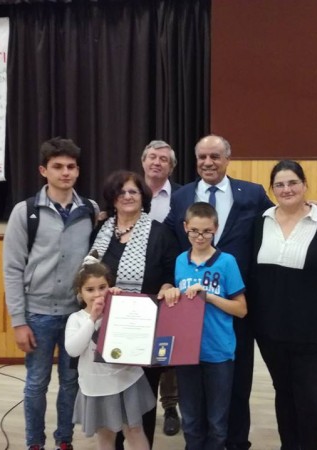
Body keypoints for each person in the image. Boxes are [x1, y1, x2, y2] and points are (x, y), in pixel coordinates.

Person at [164, 134, 273, 450]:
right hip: (190, 314)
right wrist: (166, 284)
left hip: (236, 301)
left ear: (227, 159)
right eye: (202, 157)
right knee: (194, 391)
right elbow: (168, 240)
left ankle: (235, 442)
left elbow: (277, 221)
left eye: (215, 156)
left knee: (236, 383)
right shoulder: (182, 196)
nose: (208, 162)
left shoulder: (251, 193)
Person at [3, 137, 98, 450]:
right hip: (37, 315)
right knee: (36, 383)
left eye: (71, 166)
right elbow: (12, 268)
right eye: (58, 166)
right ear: (44, 170)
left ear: (78, 170)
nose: (65, 172)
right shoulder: (25, 212)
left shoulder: (90, 210)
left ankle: (64, 441)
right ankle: (34, 443)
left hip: (75, 315)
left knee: (71, 382)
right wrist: (19, 321)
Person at [249, 160, 317, 450]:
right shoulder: (261, 221)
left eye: (293, 183)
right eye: (279, 184)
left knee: (314, 401)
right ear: (272, 189)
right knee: (285, 394)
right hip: (272, 334)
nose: (286, 189)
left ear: (304, 185)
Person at [91, 170, 179, 447]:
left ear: (143, 197)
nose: (127, 196)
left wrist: (167, 285)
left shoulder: (161, 233)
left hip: (144, 330)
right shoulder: (100, 232)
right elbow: (87, 275)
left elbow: (171, 274)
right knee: (109, 398)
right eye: (121, 192)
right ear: (112, 198)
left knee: (143, 401)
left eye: (133, 191)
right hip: (104, 328)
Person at [161, 202, 247, 450]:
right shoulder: (180, 260)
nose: (200, 237)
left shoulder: (227, 262)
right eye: (194, 231)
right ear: (185, 227)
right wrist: (170, 291)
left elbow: (241, 309)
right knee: (190, 420)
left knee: (217, 422)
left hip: (218, 351)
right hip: (186, 353)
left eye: (207, 231)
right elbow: (172, 296)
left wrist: (208, 297)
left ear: (216, 229)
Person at [65, 252, 155, 450]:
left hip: (126, 381)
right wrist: (92, 318)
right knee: (105, 434)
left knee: (134, 430)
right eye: (90, 289)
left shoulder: (118, 308)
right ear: (80, 292)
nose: (97, 294)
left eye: (102, 287)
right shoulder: (76, 319)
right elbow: (73, 350)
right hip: (97, 386)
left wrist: (122, 301)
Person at [141, 139, 182, 436]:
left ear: (171, 167)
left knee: (166, 350)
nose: (157, 162)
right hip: (135, 282)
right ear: (143, 161)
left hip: (170, 280)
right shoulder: (128, 190)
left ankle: (170, 406)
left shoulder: (182, 196)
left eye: (163, 159)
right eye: (152, 157)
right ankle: (139, 408)